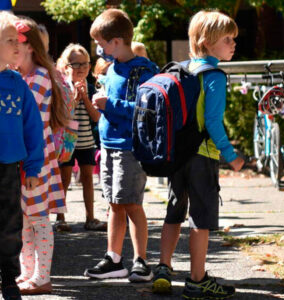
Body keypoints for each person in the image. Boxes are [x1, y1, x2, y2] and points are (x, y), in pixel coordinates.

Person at [152, 10, 244, 299]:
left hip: (176, 155)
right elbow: (214, 122)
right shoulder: (214, 75)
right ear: (208, 41)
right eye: (228, 39)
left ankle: (164, 268)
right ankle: (197, 279)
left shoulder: (181, 69)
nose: (233, 44)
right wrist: (231, 154)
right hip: (202, 155)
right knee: (200, 219)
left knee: (174, 211)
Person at [0, 11, 45, 299]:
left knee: (9, 225)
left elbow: (32, 125)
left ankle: (8, 279)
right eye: (10, 40)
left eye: (19, 40)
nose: (18, 46)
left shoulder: (17, 83)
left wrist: (33, 167)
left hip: (9, 167)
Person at [83, 8, 159, 282]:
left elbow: (148, 109)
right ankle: (113, 258)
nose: (98, 48)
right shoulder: (112, 69)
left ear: (116, 41)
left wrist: (109, 104)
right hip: (109, 144)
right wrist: (103, 104)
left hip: (130, 146)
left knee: (131, 204)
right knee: (115, 203)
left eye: (101, 43)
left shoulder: (145, 70)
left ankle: (141, 261)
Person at [14, 17, 70, 295]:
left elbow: (25, 117)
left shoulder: (38, 77)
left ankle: (42, 276)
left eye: (15, 44)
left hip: (36, 157)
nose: (10, 49)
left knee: (38, 218)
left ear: (29, 47)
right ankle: (28, 273)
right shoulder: (24, 76)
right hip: (26, 155)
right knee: (24, 219)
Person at [56, 43, 106, 232]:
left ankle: (90, 217)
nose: (82, 68)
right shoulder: (61, 88)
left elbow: (96, 117)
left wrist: (85, 98)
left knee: (87, 178)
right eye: (77, 65)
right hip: (66, 141)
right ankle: (60, 218)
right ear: (67, 66)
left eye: (85, 64)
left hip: (86, 141)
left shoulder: (92, 88)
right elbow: (61, 116)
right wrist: (74, 99)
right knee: (64, 179)